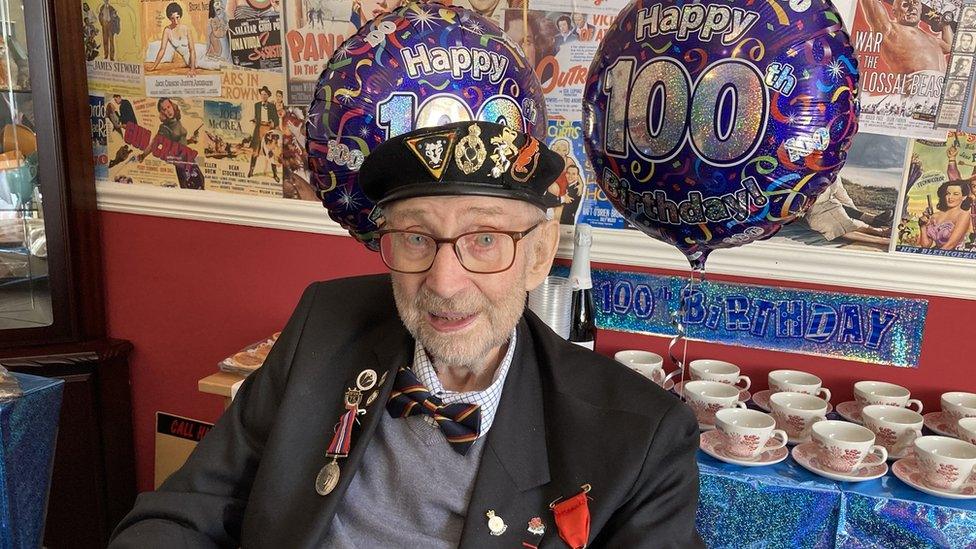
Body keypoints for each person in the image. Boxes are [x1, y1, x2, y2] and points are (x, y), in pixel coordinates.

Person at [109, 121, 702, 547]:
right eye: (417, 238)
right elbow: (188, 508)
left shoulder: (639, 434)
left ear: (540, 254)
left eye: (485, 240)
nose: (444, 283)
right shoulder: (326, 322)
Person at [860, 0, 952, 77]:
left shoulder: (931, 39)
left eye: (915, 3)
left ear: (921, 9)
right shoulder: (889, 30)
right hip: (917, 87)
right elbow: (871, 4)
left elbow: (949, 46)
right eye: (906, 5)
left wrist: (946, 24)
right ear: (894, 12)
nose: (912, 8)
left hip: (939, 88)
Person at [804, 179, 892, 250]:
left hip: (832, 205)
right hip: (812, 210)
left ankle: (879, 230)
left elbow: (842, 195)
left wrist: (858, 213)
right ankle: (882, 240)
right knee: (837, 228)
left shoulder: (834, 172)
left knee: (850, 222)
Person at [147, 2, 220, 76]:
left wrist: (192, 70)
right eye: (172, 18)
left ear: (180, 16)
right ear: (169, 18)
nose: (175, 21)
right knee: (211, 66)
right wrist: (154, 66)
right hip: (188, 58)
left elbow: (192, 49)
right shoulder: (167, 31)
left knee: (218, 58)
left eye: (177, 17)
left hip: (199, 50)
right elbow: (162, 50)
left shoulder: (186, 29)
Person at [918, 180, 974, 249]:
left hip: (952, 255)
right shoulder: (935, 216)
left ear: (964, 197)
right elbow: (926, 245)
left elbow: (950, 245)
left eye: (955, 194)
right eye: (948, 193)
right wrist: (922, 226)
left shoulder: (963, 215)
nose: (950, 197)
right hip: (938, 253)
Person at [248, 86, 280, 180]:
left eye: (265, 94)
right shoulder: (257, 105)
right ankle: (251, 170)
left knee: (270, 151)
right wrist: (254, 120)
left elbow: (276, 120)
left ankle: (275, 174)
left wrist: (274, 123)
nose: (263, 96)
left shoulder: (272, 106)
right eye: (262, 94)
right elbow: (257, 117)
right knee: (255, 151)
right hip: (259, 129)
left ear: (268, 96)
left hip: (269, 129)